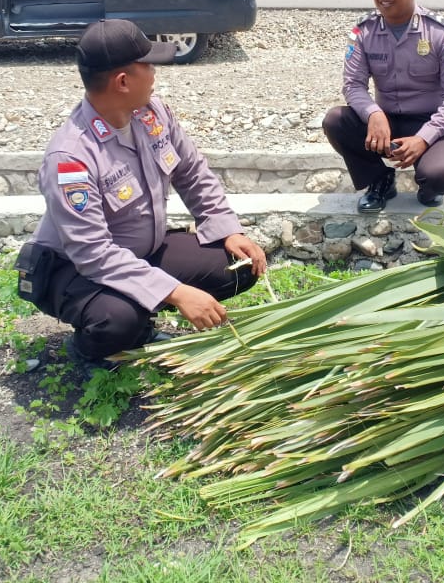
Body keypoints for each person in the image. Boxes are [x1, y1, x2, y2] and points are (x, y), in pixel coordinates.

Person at [15, 19, 268, 375]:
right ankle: (92, 349)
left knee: (235, 266)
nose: (154, 74)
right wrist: (177, 293)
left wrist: (228, 230)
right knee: (119, 318)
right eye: (148, 66)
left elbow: (192, 173)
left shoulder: (152, 113)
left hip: (139, 253)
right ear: (122, 81)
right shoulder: (71, 158)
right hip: (75, 271)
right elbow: (92, 254)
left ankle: (140, 316)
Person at [322, 0, 444, 213]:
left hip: (430, 122)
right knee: (335, 120)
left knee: (441, 174)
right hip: (385, 121)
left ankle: (429, 187)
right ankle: (380, 180)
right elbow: (353, 85)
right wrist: (373, 114)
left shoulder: (440, 33)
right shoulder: (363, 31)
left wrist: (423, 139)